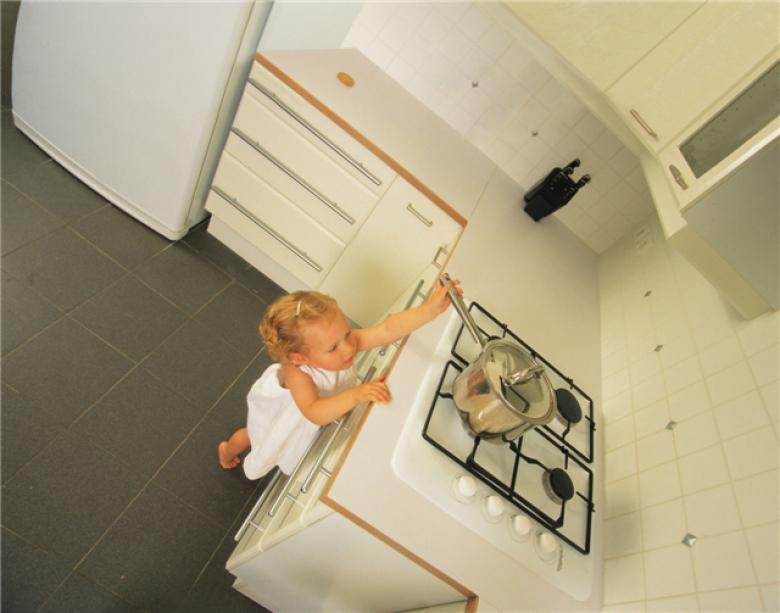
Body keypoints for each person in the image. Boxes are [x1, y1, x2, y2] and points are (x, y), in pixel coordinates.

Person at [218, 278, 460, 479]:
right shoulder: (296, 373)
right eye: (333, 348)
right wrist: (355, 395)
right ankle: (226, 452)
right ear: (301, 358)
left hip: (325, 409)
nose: (348, 348)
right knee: (253, 437)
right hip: (284, 417)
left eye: (346, 333)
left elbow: (386, 330)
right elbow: (314, 411)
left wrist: (429, 310)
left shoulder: (345, 345)